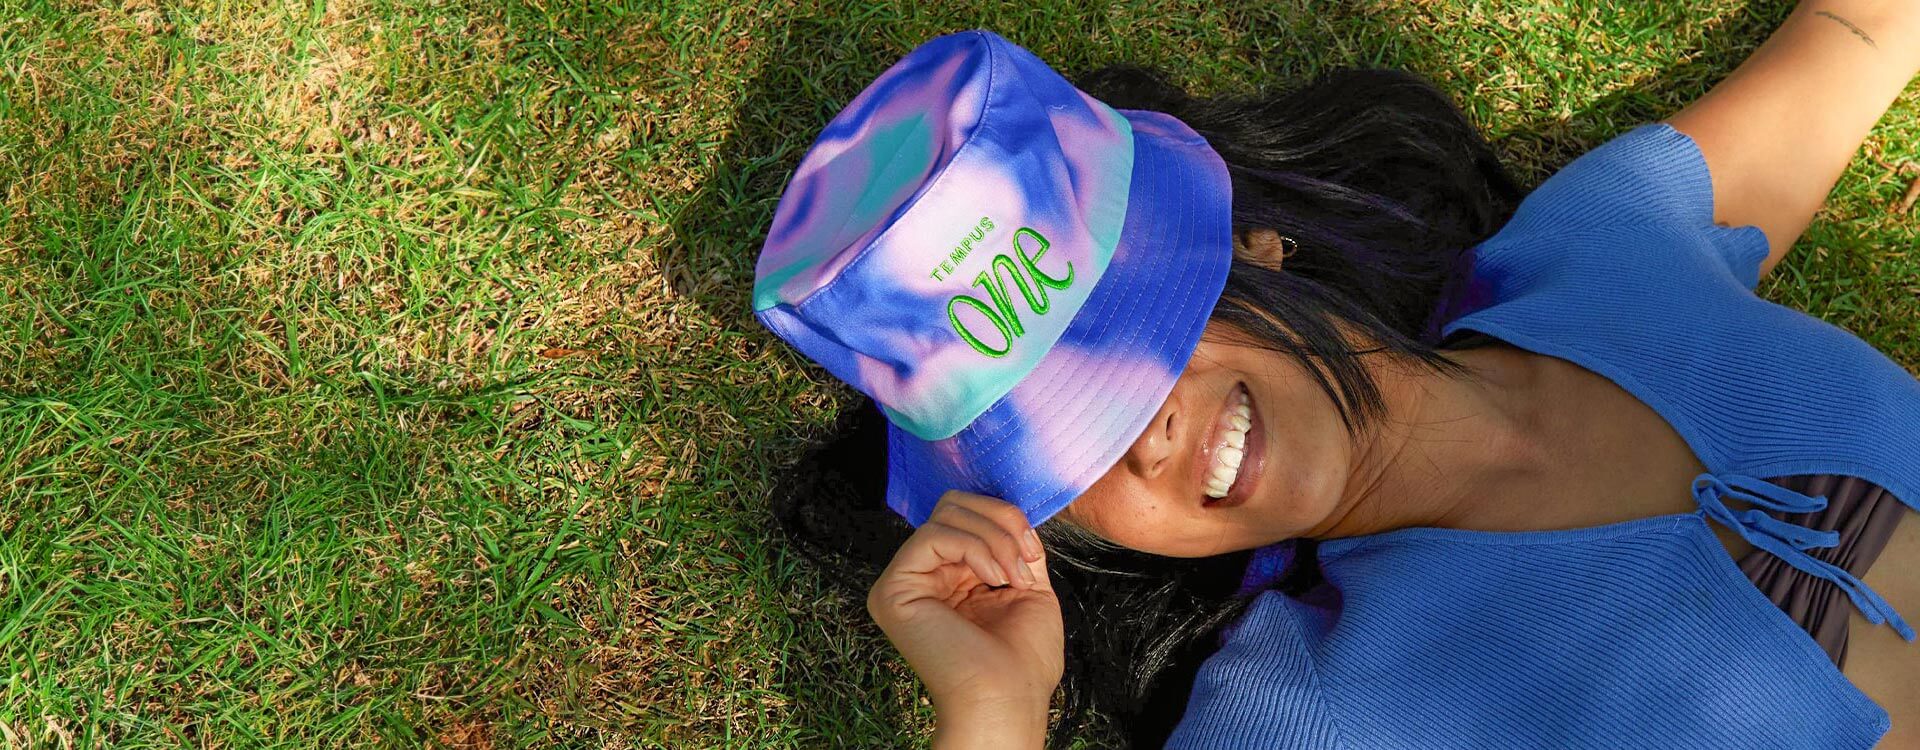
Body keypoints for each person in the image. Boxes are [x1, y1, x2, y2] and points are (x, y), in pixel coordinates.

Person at [753, 3, 1920, 747]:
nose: (1148, 428)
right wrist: (995, 716)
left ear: (1253, 243)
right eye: (1078, 445)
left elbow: (1859, 35)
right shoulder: (1309, 713)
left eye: (1150, 337)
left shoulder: (1601, 247)